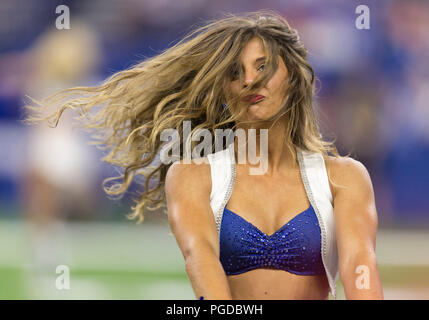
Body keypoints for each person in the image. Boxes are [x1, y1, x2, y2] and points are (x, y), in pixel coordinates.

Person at [22, 10, 383, 300]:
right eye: (235, 72)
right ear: (223, 89)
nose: (249, 81)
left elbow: (358, 265)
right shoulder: (194, 175)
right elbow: (200, 258)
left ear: (292, 78)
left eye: (263, 67)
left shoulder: (344, 178)